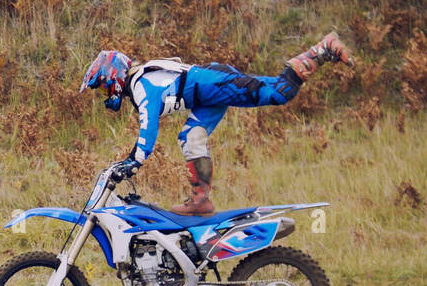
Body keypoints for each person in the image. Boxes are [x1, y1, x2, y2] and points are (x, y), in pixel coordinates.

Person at [80, 33, 355, 216]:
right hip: (205, 94)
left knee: (280, 92)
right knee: (190, 137)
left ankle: (322, 49)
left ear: (112, 76)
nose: (105, 94)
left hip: (213, 85)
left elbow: (148, 128)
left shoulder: (140, 85)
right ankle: (201, 200)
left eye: (103, 87)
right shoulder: (139, 80)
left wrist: (133, 162)